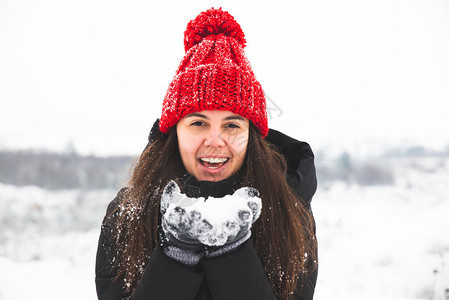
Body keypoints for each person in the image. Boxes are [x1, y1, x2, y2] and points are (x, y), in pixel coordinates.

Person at [95, 7, 318, 300]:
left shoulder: (290, 212)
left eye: (232, 124)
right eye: (198, 123)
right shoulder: (128, 213)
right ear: (174, 130)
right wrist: (177, 254)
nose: (215, 140)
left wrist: (232, 251)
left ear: (251, 136)